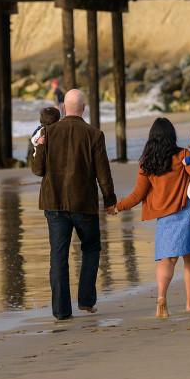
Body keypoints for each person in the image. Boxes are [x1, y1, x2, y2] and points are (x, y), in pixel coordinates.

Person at [114, 117, 190, 318]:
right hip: (189, 212)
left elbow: (137, 195)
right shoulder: (182, 155)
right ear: (172, 136)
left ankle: (161, 298)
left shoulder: (147, 162)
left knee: (167, 259)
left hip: (166, 217)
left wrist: (117, 207)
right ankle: (189, 303)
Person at [32, 89, 117, 320]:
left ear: (63, 108)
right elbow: (103, 174)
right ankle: (86, 300)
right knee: (91, 248)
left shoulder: (48, 133)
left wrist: (39, 146)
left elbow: (38, 170)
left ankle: (60, 312)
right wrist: (110, 201)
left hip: (54, 202)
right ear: (84, 108)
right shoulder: (94, 134)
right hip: (83, 203)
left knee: (58, 255)